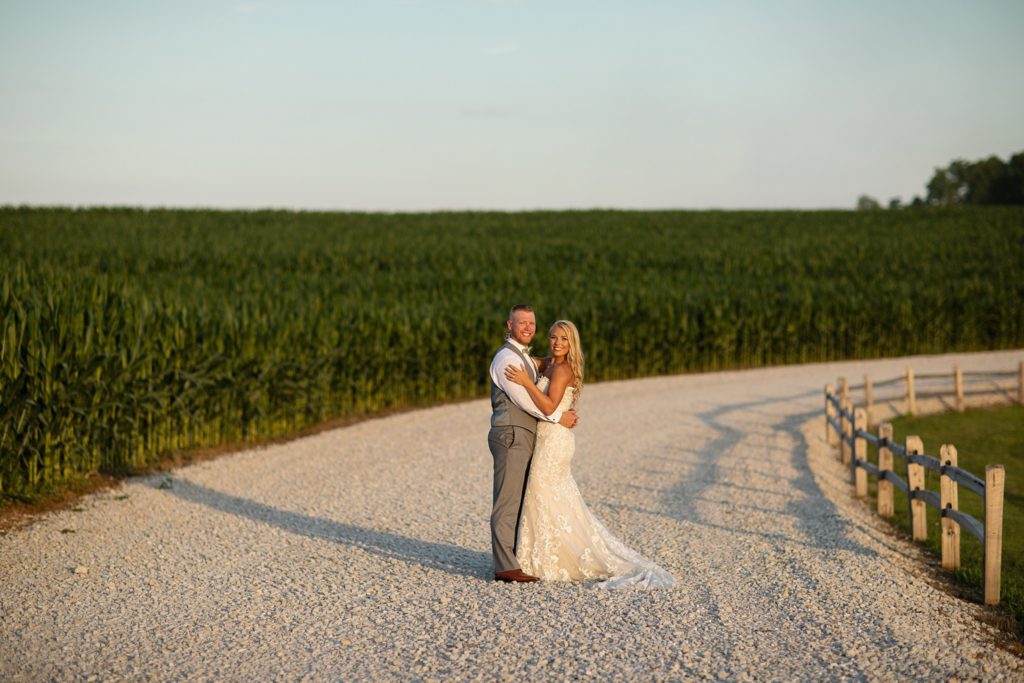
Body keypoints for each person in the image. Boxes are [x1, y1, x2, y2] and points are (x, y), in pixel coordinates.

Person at [504, 319, 675, 590]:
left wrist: (526, 382)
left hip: (554, 442)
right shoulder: (549, 362)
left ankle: (549, 559)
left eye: (563, 339)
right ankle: (540, 555)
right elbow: (528, 357)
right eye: (552, 337)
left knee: (542, 492)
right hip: (549, 438)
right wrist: (514, 348)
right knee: (549, 497)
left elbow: (549, 407)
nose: (557, 343)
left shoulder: (561, 370)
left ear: (572, 344)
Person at [487, 305, 578, 583]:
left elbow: (546, 365)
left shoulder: (532, 359)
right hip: (512, 433)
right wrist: (557, 416)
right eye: (521, 322)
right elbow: (523, 399)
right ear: (509, 325)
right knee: (508, 499)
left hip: (532, 435)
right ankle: (505, 565)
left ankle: (521, 556)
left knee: (529, 497)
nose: (528, 327)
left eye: (532, 323)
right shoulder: (506, 359)